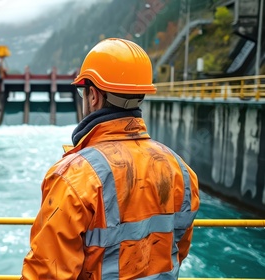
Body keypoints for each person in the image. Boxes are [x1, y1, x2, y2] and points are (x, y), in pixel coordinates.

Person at [21, 38, 199, 279]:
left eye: (83, 91)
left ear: (93, 95)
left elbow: (47, 273)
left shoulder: (75, 177)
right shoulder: (180, 171)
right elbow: (178, 250)